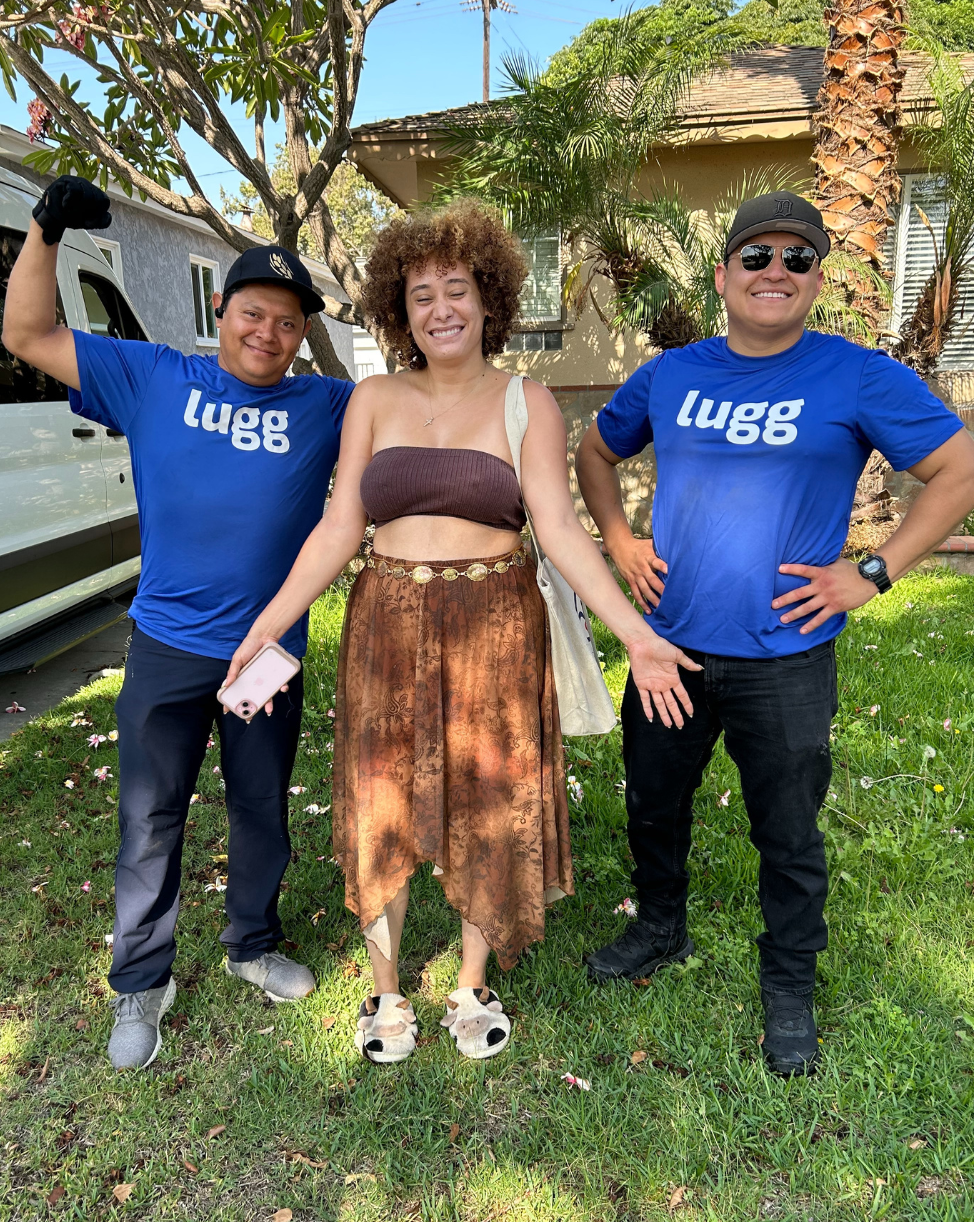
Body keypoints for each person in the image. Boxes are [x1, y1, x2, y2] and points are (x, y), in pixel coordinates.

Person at [224, 201, 697, 1064]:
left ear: (488, 300)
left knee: (491, 795)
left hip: (495, 623)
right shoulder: (373, 399)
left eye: (455, 290)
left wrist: (634, 632)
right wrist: (268, 624)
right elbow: (339, 528)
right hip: (386, 621)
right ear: (398, 311)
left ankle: (472, 982)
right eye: (420, 296)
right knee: (381, 798)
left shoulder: (527, 401)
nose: (439, 309)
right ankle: (385, 990)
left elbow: (559, 529)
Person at [578, 191, 974, 1076]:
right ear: (723, 274)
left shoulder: (857, 375)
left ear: (817, 279)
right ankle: (660, 928)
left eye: (797, 258)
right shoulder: (672, 375)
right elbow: (596, 453)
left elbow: (963, 471)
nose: (776, 271)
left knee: (789, 829)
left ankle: (790, 980)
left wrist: (872, 572)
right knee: (653, 803)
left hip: (787, 658)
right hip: (670, 647)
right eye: (757, 256)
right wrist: (618, 538)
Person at [3, 175, 354, 1069]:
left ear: (301, 334)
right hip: (167, 644)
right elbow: (28, 335)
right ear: (221, 312)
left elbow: (420, 418)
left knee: (260, 806)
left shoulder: (327, 406)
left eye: (288, 323)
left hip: (267, 654)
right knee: (150, 817)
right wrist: (44, 231)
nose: (268, 333)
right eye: (253, 313)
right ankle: (140, 982)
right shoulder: (153, 376)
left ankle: (251, 945)